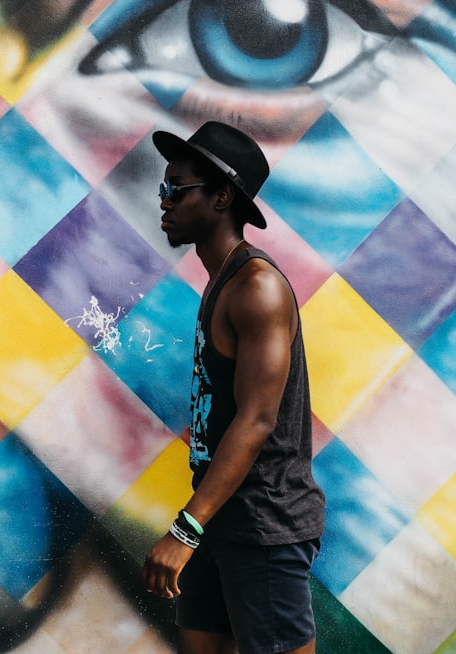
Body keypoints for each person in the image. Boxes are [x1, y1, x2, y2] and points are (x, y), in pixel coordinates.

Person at [141, 121, 326, 654]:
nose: (165, 200)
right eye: (163, 188)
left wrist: (184, 532)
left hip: (264, 525)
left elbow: (257, 420)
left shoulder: (257, 288)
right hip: (218, 517)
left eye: (176, 188)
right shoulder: (222, 281)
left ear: (222, 197)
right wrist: (198, 523)